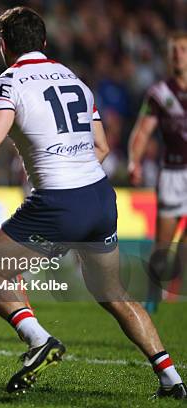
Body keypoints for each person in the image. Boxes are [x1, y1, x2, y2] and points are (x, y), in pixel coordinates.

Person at [0, 7, 185, 399]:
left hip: (57, 202)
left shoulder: (7, 83)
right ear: (45, 42)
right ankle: (172, 378)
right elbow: (102, 146)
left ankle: (40, 341)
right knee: (114, 293)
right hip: (100, 197)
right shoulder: (76, 80)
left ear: (4, 46)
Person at [127, 32, 187, 314]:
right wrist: (134, 162)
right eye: (174, 50)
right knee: (163, 247)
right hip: (173, 174)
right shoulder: (160, 94)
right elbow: (142, 131)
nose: (178, 55)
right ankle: (153, 293)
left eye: (183, 50)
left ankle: (173, 287)